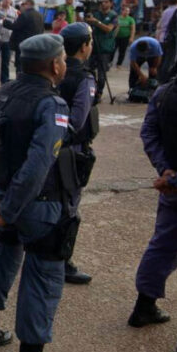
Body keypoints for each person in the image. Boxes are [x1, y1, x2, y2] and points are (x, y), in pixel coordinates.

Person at [0, 34, 77, 352]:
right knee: (43, 278)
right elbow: (38, 163)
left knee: (0, 257)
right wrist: (11, 207)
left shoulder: (1, 94)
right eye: (62, 59)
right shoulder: (52, 105)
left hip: (3, 199)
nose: (64, 64)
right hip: (38, 206)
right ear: (53, 65)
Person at [128, 71, 177, 352]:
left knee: (163, 245)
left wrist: (165, 171)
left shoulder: (166, 90)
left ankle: (144, 306)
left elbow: (149, 132)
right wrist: (175, 178)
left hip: (173, 187)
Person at [57, 24, 98, 285]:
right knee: (69, 207)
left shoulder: (56, 69)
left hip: (51, 144)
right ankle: (62, 262)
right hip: (71, 150)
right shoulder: (84, 77)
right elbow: (78, 119)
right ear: (84, 46)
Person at [86, 0, 118, 80]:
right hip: (93, 47)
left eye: (106, 2)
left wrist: (97, 22)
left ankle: (99, 91)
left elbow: (108, 29)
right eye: (102, 2)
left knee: (101, 73)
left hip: (105, 48)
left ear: (111, 3)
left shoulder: (113, 15)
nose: (103, 3)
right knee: (88, 70)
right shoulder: (96, 13)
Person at [9, 0, 44, 71]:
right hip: (35, 45)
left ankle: (20, 80)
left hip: (23, 45)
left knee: (20, 65)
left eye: (22, 4)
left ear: (28, 4)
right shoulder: (39, 15)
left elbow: (16, 26)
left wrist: (4, 22)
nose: (20, 6)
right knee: (31, 66)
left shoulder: (24, 15)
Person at [127, 36, 163, 103]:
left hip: (153, 56)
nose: (145, 54)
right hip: (139, 57)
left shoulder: (155, 44)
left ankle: (152, 93)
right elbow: (133, 63)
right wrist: (141, 75)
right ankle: (132, 91)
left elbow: (159, 56)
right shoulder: (133, 48)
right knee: (133, 73)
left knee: (153, 74)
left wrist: (154, 67)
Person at [0, 0, 18, 84]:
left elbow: (16, 24)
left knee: (6, 61)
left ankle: (4, 80)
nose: (6, 0)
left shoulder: (14, 11)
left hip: (7, 39)